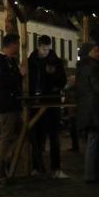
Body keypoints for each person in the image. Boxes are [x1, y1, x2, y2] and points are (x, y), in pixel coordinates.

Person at [28, 34, 69, 178]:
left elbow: (62, 81)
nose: (46, 51)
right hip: (36, 102)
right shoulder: (31, 61)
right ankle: (37, 167)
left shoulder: (55, 61)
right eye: (44, 49)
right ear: (39, 47)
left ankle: (55, 168)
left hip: (51, 102)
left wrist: (53, 75)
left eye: (48, 49)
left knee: (54, 136)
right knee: (37, 137)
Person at [76, 42, 99, 183]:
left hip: (88, 109)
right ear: (89, 52)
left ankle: (94, 173)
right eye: (95, 51)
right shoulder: (93, 67)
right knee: (96, 142)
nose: (98, 53)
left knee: (95, 141)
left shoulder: (82, 67)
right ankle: (93, 174)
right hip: (96, 109)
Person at [0, 32, 24, 180]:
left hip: (13, 104)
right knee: (8, 136)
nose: (18, 47)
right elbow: (1, 83)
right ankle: (2, 168)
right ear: (11, 45)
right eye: (17, 44)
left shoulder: (11, 61)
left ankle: (9, 160)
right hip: (6, 106)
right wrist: (19, 75)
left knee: (21, 134)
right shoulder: (0, 61)